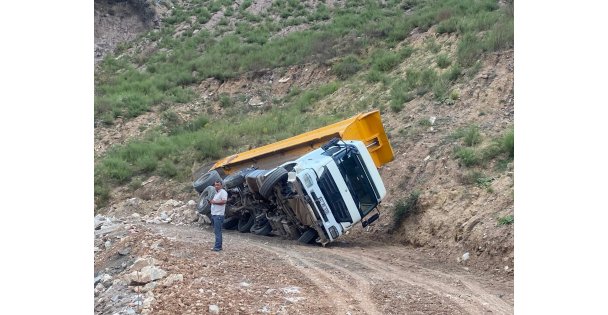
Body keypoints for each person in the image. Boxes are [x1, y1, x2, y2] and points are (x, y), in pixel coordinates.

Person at [209, 180, 228, 251]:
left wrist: (214, 202)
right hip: (214, 214)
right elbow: (214, 202)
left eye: (218, 185)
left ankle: (217, 247)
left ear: (221, 186)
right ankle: (218, 246)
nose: (216, 186)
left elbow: (224, 201)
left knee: (218, 231)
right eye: (215, 185)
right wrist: (210, 202)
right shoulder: (215, 193)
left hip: (219, 215)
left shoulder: (223, 192)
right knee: (216, 231)